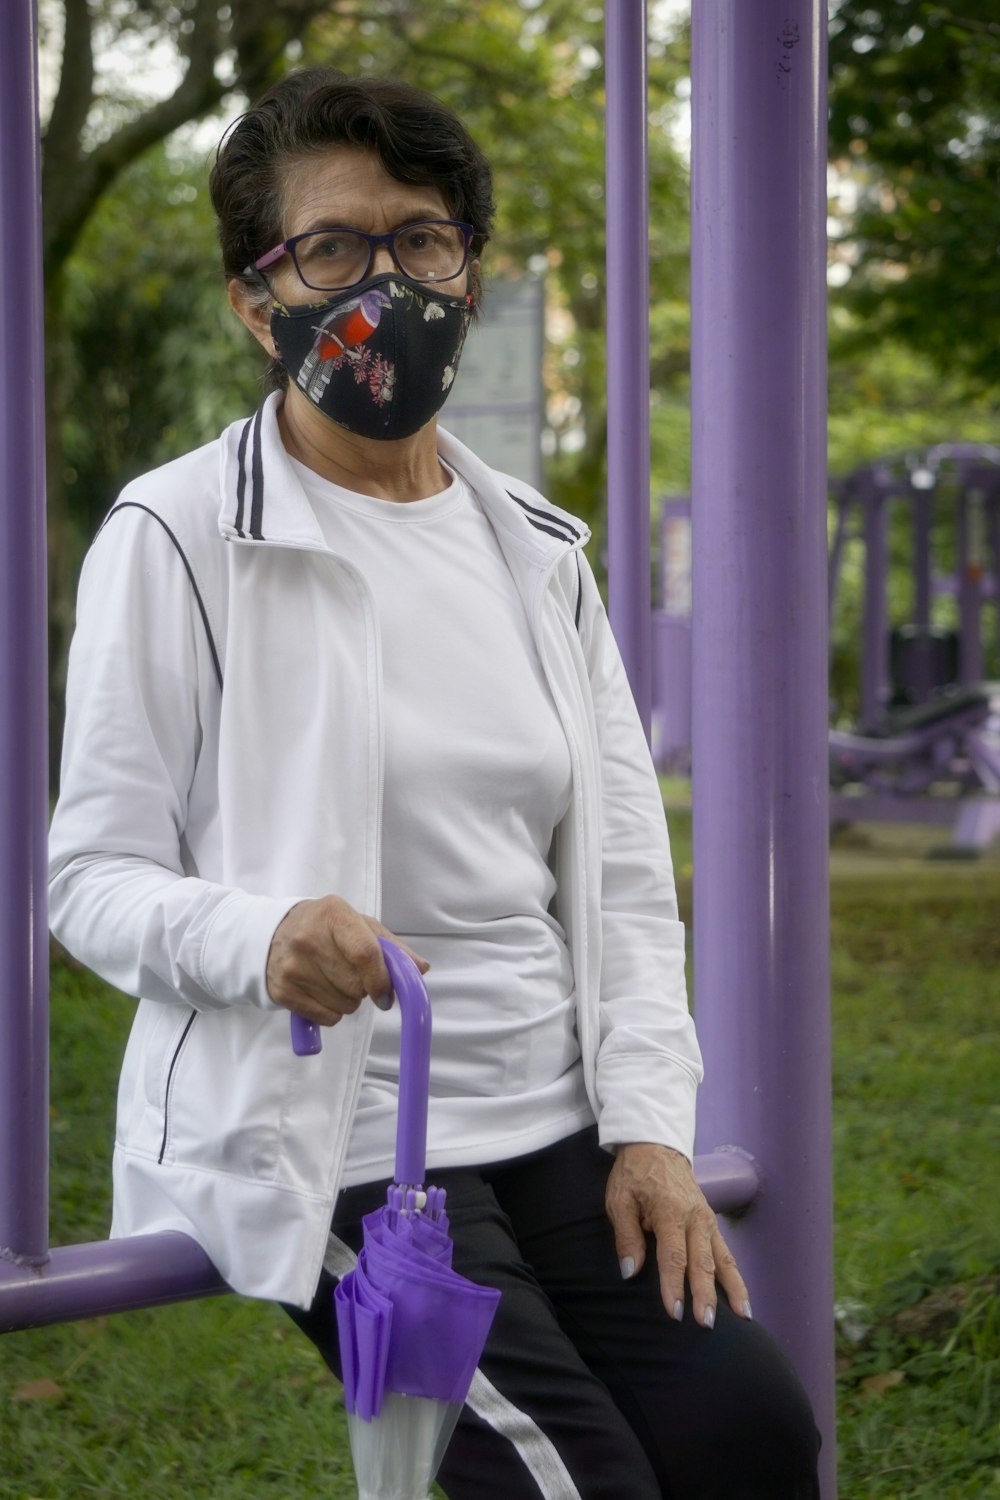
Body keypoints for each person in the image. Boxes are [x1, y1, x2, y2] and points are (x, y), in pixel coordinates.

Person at [49, 67, 820, 1499]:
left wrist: (651, 1127)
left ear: (468, 272)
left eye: (421, 239)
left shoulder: (534, 547)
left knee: (753, 1440)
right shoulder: (175, 535)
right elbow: (89, 879)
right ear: (252, 296)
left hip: (563, 1127)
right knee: (561, 1483)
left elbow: (627, 884)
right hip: (342, 1146)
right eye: (330, 247)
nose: (383, 279)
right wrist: (261, 935)